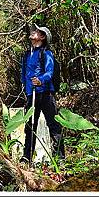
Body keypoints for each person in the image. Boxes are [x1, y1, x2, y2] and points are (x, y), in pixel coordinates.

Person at [20, 24, 65, 164]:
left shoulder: (46, 53)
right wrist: (26, 87)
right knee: (30, 127)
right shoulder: (27, 54)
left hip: (45, 94)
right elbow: (24, 74)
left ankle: (60, 158)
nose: (33, 32)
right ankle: (27, 158)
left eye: (37, 31)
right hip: (31, 95)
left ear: (42, 37)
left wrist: (40, 80)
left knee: (54, 125)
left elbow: (49, 73)